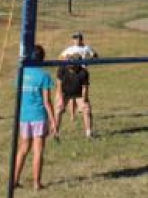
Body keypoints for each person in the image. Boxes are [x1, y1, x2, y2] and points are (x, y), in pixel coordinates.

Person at [13, 45, 58, 190]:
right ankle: (36, 183)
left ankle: (14, 180)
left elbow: (19, 96)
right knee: (38, 150)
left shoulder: (22, 73)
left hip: (24, 116)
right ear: (42, 59)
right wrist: (53, 120)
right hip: (38, 116)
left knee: (23, 148)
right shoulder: (44, 76)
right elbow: (46, 101)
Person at [59, 32, 98, 121]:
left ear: (81, 39)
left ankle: (82, 107)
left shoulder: (86, 48)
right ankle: (72, 115)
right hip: (72, 72)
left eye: (78, 38)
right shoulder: (70, 49)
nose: (76, 40)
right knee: (72, 95)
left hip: (82, 73)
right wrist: (67, 59)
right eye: (75, 38)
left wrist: (89, 61)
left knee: (83, 92)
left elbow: (95, 55)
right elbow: (60, 57)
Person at [55, 54, 93, 138]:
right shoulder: (62, 69)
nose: (70, 66)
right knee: (58, 110)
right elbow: (59, 86)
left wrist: (85, 100)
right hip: (64, 93)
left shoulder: (84, 72)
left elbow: (85, 88)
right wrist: (60, 99)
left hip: (79, 93)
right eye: (69, 63)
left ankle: (89, 133)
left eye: (73, 64)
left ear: (78, 64)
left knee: (87, 110)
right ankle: (55, 132)